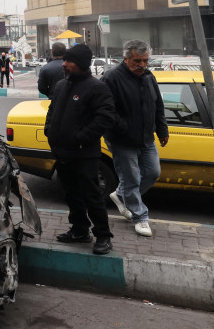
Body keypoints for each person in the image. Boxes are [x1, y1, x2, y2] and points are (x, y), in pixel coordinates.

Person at [45, 44, 117, 255]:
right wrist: (50, 131)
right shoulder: (60, 86)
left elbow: (105, 118)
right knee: (71, 195)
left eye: (70, 61)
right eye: (65, 60)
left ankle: (103, 235)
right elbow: (52, 111)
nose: (64, 64)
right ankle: (79, 230)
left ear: (82, 65)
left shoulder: (97, 88)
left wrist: (80, 138)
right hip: (62, 153)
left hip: (84, 154)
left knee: (92, 196)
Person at [100, 39, 168, 238]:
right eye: (138, 61)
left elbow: (158, 105)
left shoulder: (148, 76)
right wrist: (124, 128)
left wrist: (162, 130)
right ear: (125, 58)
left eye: (145, 60)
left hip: (146, 138)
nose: (142, 65)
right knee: (131, 178)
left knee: (152, 173)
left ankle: (121, 195)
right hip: (122, 140)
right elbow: (106, 110)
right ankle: (140, 217)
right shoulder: (111, 78)